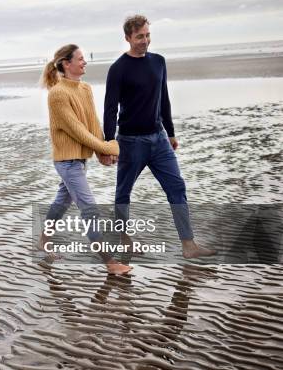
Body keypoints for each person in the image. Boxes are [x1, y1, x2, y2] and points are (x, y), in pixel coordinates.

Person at [103, 15, 216, 259]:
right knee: (123, 192)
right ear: (127, 38)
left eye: (147, 35)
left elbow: (163, 98)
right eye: (139, 37)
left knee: (177, 186)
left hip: (159, 139)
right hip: (130, 142)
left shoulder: (158, 62)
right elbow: (110, 109)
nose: (145, 41)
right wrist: (109, 144)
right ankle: (125, 239)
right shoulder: (118, 69)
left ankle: (188, 245)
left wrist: (171, 132)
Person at [39, 44, 131, 275]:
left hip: (79, 160)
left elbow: (91, 124)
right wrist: (111, 147)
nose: (84, 62)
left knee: (62, 201)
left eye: (84, 59)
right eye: (80, 59)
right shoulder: (57, 93)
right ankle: (109, 263)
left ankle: (43, 239)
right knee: (90, 209)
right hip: (67, 162)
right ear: (66, 64)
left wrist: (102, 152)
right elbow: (77, 130)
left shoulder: (86, 88)